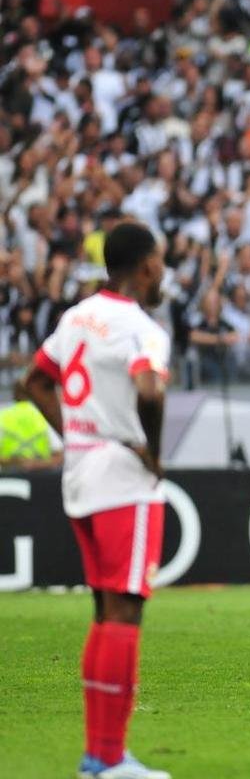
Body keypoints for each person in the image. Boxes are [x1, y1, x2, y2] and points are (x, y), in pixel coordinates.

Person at [21, 221, 172, 779]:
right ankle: (108, 759)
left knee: (105, 612)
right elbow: (149, 390)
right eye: (160, 264)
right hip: (124, 479)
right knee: (125, 611)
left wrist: (76, 436)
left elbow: (32, 382)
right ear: (147, 266)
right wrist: (153, 454)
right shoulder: (142, 329)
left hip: (81, 474)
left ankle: (99, 756)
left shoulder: (75, 317)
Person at [0, 381, 63, 470]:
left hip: (11, 477)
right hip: (40, 476)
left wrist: (15, 461)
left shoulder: (3, 416)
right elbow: (60, 456)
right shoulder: (44, 415)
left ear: (14, 395)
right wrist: (35, 464)